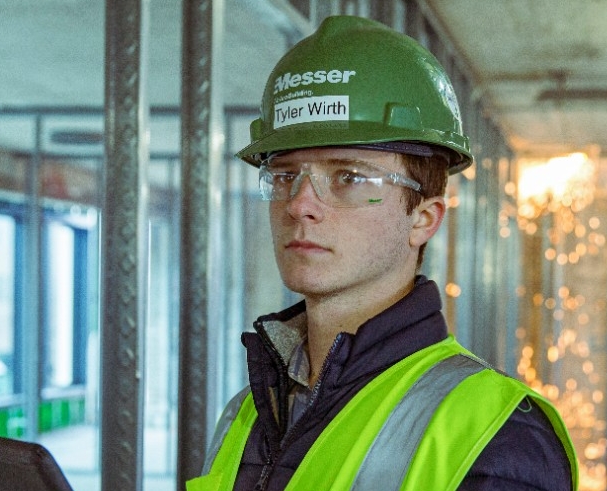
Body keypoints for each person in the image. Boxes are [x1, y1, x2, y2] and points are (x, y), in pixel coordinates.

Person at [186, 16, 577, 491]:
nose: (299, 204)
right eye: (286, 175)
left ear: (423, 218)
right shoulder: (245, 414)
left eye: (348, 177)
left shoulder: (498, 439)